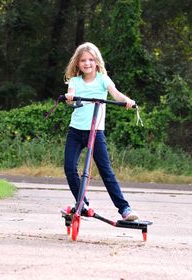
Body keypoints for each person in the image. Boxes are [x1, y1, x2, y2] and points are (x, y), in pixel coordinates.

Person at [63, 42, 138, 221]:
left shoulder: (103, 79)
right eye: (83, 60)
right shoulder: (74, 81)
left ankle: (125, 209)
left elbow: (116, 94)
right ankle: (83, 203)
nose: (87, 63)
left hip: (95, 132)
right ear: (77, 63)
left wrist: (127, 100)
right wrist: (69, 98)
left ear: (96, 61)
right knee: (69, 168)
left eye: (90, 59)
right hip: (76, 131)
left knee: (106, 171)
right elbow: (71, 97)